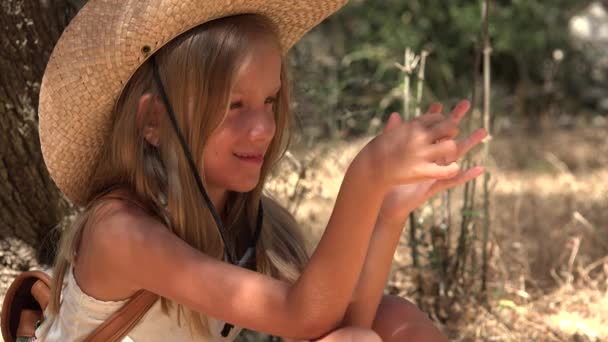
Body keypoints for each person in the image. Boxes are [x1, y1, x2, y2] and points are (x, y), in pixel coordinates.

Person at [35, 0, 487, 341]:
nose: (262, 128)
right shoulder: (120, 231)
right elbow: (300, 314)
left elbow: (337, 323)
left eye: (269, 101)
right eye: (234, 106)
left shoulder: (250, 223)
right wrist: (364, 177)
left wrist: (386, 215)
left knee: (391, 318)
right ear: (153, 121)